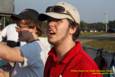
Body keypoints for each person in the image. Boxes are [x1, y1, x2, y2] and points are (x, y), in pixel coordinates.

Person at [39, 2, 103, 77]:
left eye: (58, 20)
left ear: (72, 28)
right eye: (49, 20)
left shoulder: (86, 68)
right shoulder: (51, 58)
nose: (50, 24)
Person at [0, 8, 45, 77]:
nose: (17, 30)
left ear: (34, 28)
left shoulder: (34, 48)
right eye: (17, 27)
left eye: (20, 27)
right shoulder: (30, 46)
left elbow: (8, 54)